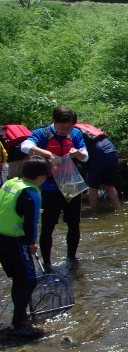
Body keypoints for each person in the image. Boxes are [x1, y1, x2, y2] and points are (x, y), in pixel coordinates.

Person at [20, 106, 88, 269]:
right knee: (48, 226)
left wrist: (76, 153)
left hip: (71, 185)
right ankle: (47, 263)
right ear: (53, 121)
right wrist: (46, 153)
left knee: (74, 224)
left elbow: (85, 156)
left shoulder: (76, 133)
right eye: (61, 127)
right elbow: (25, 146)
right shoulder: (42, 134)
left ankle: (72, 259)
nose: (65, 130)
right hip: (50, 187)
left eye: (68, 127)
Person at [0, 157, 51, 337]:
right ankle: (19, 324)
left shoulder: (11, 183)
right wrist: (32, 243)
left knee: (18, 278)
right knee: (29, 280)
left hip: (1, 238)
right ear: (41, 177)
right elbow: (31, 222)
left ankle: (20, 316)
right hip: (16, 240)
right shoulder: (32, 194)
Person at [78, 123, 120, 211]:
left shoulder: (73, 132)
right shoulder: (83, 126)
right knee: (108, 184)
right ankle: (118, 208)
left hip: (100, 152)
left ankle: (93, 210)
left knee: (93, 185)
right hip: (112, 149)